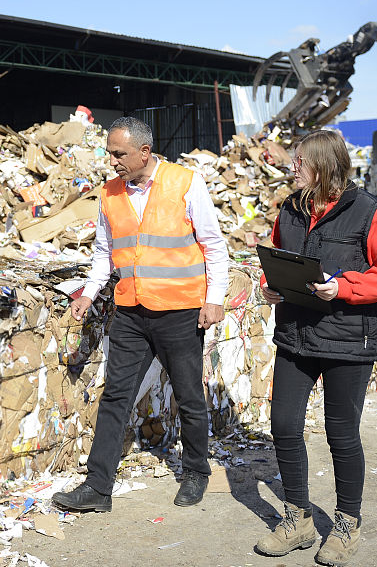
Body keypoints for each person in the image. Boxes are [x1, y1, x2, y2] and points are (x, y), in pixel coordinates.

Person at [52, 116, 228, 513]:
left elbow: (213, 246)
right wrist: (89, 293)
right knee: (116, 396)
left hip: (180, 310)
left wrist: (214, 298)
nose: (112, 161)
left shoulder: (186, 183)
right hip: (131, 310)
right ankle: (98, 488)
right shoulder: (109, 193)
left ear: (144, 152)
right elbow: (104, 252)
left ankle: (196, 471)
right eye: (109, 153)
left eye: (119, 154)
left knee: (188, 394)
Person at [254, 129, 377, 566]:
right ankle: (298, 519)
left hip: (347, 340)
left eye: (299, 162)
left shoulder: (368, 213)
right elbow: (278, 257)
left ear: (322, 166)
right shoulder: (290, 208)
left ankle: (346, 525)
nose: (291, 168)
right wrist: (269, 286)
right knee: (284, 425)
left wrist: (342, 287)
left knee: (341, 434)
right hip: (296, 335)